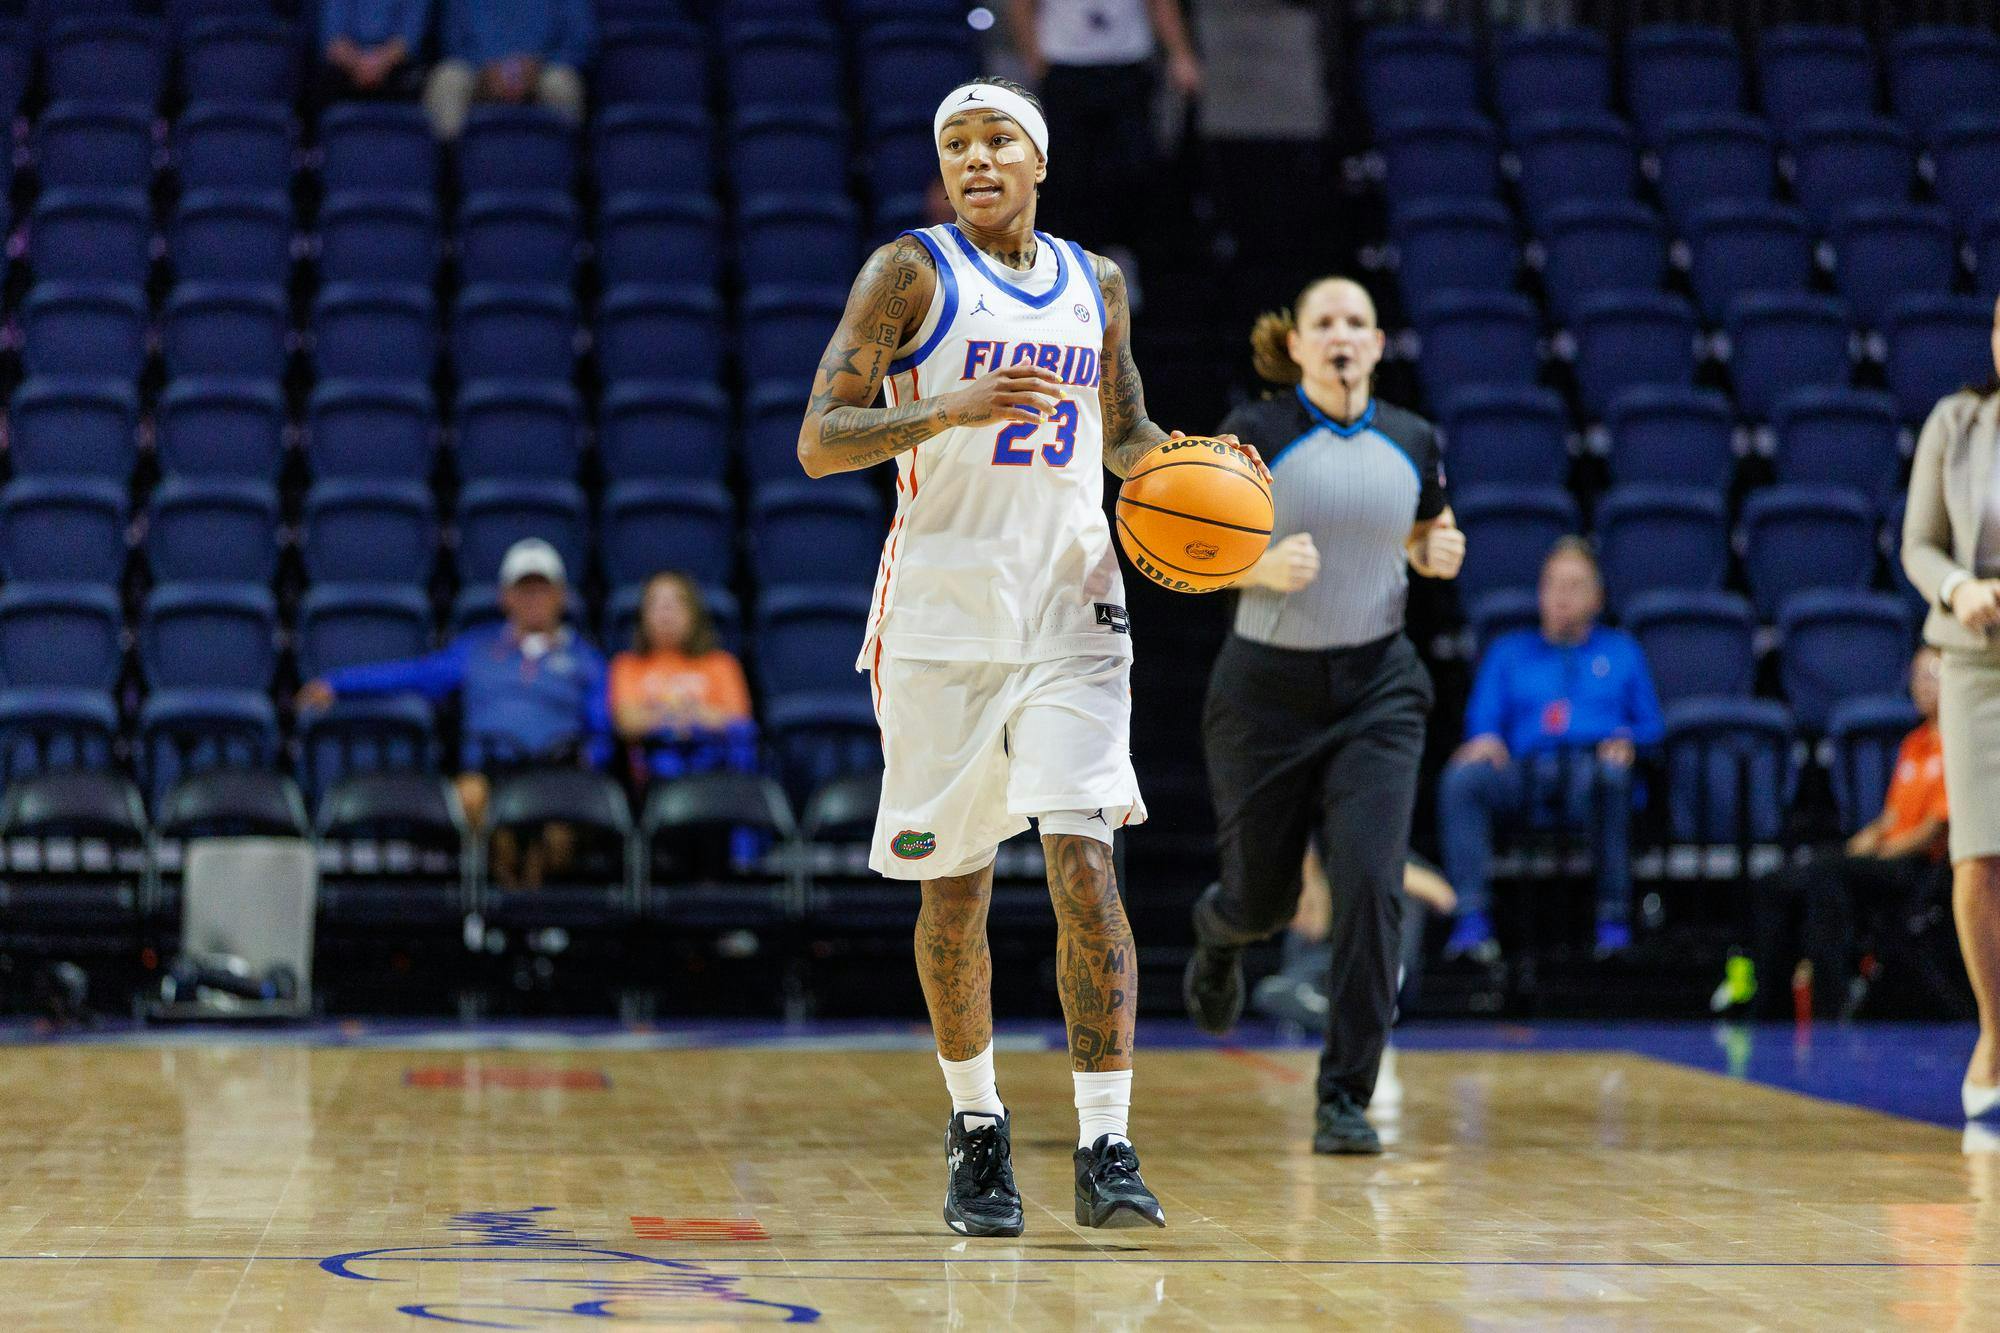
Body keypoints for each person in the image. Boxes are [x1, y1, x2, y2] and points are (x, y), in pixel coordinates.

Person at [796, 76, 1267, 1236]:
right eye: (954, 142)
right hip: (941, 618)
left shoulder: (1093, 281)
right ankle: (977, 1126)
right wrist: (944, 410)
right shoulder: (906, 273)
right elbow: (819, 438)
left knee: (1083, 866)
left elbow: (1124, 438)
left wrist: (1205, 476)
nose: (974, 158)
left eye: (997, 138)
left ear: (1038, 159)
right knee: (951, 888)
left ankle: (1106, 1140)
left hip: (1072, 609)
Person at [1181, 275, 1464, 1157]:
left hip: (1378, 690)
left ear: (1377, 345)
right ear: (1297, 346)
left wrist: (1436, 547)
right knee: (1264, 897)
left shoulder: (1415, 438)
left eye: (1357, 322)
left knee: (1372, 886)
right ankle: (1220, 932)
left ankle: (1345, 1094)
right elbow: (1181, 552)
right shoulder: (1253, 433)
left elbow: (1424, 530)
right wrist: (1255, 570)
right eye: (1324, 323)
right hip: (1264, 693)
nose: (1342, 335)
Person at [297, 539, 609, 889]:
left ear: (561, 596)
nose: (533, 600)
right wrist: (338, 684)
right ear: (505, 597)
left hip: (556, 773)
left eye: (542, 590)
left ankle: (535, 912)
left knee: (560, 831)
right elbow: (414, 675)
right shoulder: (477, 651)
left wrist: (590, 760)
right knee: (470, 800)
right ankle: (501, 907)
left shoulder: (586, 661)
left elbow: (602, 728)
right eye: (524, 590)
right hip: (491, 770)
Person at [1436, 538, 1664, 962]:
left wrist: (1626, 742)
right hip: (1523, 771)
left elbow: (1652, 726)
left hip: (1590, 769)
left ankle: (1612, 922)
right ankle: (1472, 924)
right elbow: (1482, 723)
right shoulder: (1508, 653)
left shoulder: (1621, 652)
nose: (1561, 596)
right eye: (1553, 585)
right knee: (1464, 779)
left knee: (1611, 779)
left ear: (1597, 598)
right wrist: (1485, 739)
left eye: (1575, 586)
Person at [1901, 292, 2000, 1120]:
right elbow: (1918, 541)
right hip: (1977, 661)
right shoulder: (1958, 422)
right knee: (1980, 855)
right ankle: (1996, 1035)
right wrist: (1959, 587)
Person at [1745, 647, 1949, 1019]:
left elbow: (1935, 829)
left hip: (1921, 866)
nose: (1923, 686)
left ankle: (1830, 1004)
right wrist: (1859, 847)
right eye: (1917, 677)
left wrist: (1881, 853)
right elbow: (1889, 817)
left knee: (1828, 873)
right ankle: (1767, 1007)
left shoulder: (1955, 745)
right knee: (1776, 882)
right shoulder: (1913, 743)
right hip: (1887, 853)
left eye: (1933, 676)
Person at [1007, 0, 1202, 261]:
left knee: (1136, 175)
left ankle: (1128, 264)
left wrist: (1180, 53)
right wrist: (1032, 55)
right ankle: (1070, 267)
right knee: (1069, 179)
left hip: (1128, 65)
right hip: (1065, 66)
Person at [608, 572, 757, 781]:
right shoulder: (627, 665)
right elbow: (626, 722)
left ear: (693, 613)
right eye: (657, 604)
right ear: (643, 616)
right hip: (653, 775)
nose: (666, 613)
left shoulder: (721, 664)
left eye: (676, 603)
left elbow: (737, 721)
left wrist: (671, 717)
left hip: (717, 769)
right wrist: (687, 716)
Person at [424, 0, 593, 141]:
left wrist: (538, 65)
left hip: (543, 70)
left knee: (561, 83)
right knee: (448, 79)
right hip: (479, 72)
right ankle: (451, 171)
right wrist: (485, 70)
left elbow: (581, 41)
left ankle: (564, 165)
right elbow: (452, 43)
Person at [320, 0, 432, 101]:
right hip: (346, 67)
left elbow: (408, 40)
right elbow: (333, 40)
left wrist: (378, 65)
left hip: (397, 68)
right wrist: (359, 65)